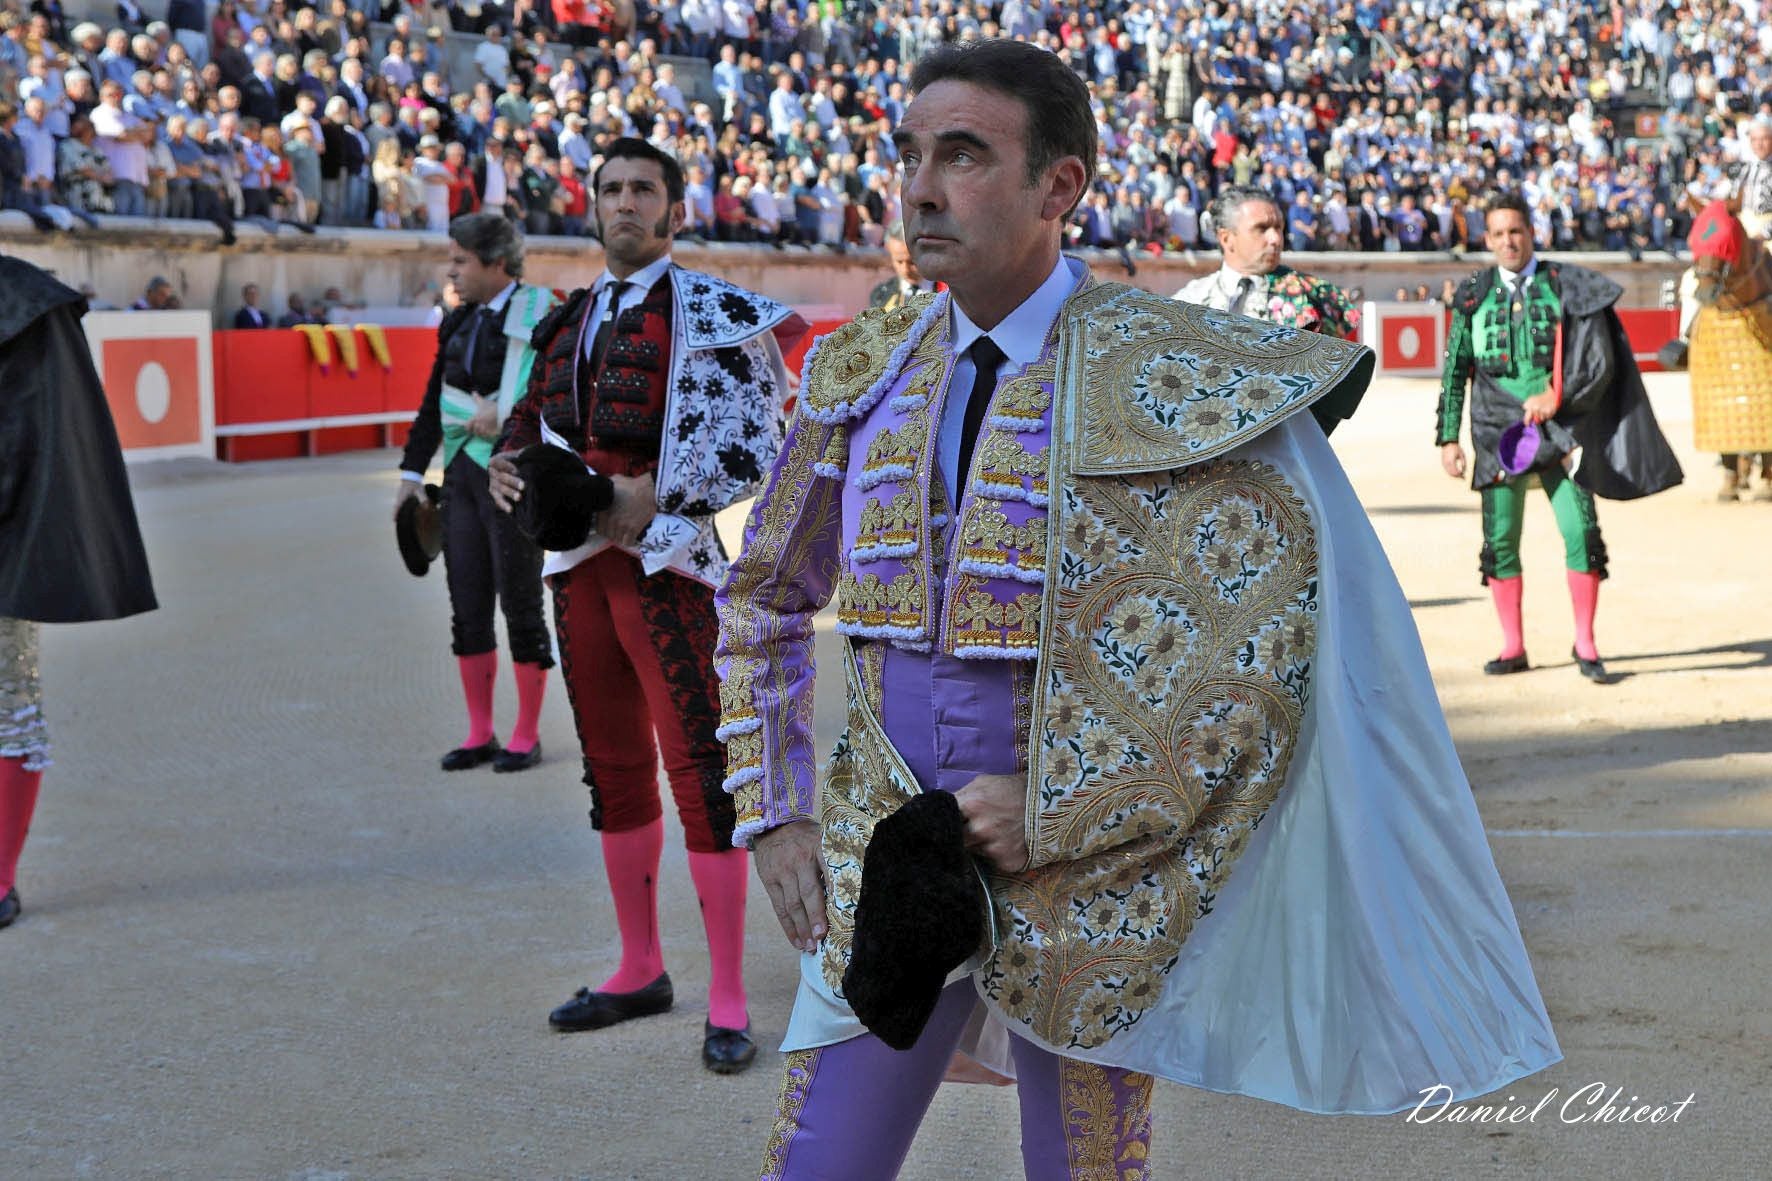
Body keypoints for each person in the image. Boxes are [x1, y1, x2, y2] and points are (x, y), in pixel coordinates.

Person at [716, 39, 1559, 1179]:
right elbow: (764, 592)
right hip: (883, 851)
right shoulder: (858, 370)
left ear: (1058, 186)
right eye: (907, 154)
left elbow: (1261, 661)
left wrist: (1062, 806)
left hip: (1094, 875)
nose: (917, 187)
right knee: (817, 1165)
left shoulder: (1173, 377)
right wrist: (773, 811)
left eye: (960, 156)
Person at [486, 137, 807, 1074]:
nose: (625, 203)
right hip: (580, 569)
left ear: (675, 211)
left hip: (673, 568)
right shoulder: (568, 318)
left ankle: (729, 994)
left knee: (702, 772)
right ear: (594, 208)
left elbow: (762, 438)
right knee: (612, 767)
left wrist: (658, 497)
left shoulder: (716, 313)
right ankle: (639, 965)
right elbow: (527, 418)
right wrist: (509, 464)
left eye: (644, 191)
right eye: (611, 189)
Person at [1438, 191, 1682, 683]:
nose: (1509, 241)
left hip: (1562, 425)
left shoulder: (1563, 285)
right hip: (1496, 428)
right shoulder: (1472, 293)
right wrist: (1448, 437)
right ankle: (1513, 645)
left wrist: (1559, 396)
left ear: (1533, 234)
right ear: (1487, 239)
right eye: (1500, 234)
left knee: (1581, 532)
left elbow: (1596, 359)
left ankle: (1585, 641)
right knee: (1500, 539)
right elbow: (1455, 369)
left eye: (1517, 231)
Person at [1, 255, 158, 930]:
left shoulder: (24, 304)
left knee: (8, 702)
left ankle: (0, 874)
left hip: (5, 540)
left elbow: (33, 440)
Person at [397, 213, 558, 773]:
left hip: (511, 473)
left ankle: (526, 731)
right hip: (463, 476)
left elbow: (555, 394)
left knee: (519, 605)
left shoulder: (543, 315)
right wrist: (410, 475)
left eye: (461, 260)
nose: (453, 271)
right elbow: (430, 405)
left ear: (496, 263)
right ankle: (479, 730)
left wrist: (510, 412)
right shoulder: (456, 322)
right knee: (466, 606)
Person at [1174, 185, 1363, 435]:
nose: (1275, 239)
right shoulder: (1190, 299)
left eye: (1279, 228)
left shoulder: (1315, 296)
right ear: (1226, 238)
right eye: (1261, 229)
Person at [865, 222, 933, 311]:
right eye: (899, 261)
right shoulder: (881, 295)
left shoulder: (949, 291)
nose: (905, 270)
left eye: (912, 262)